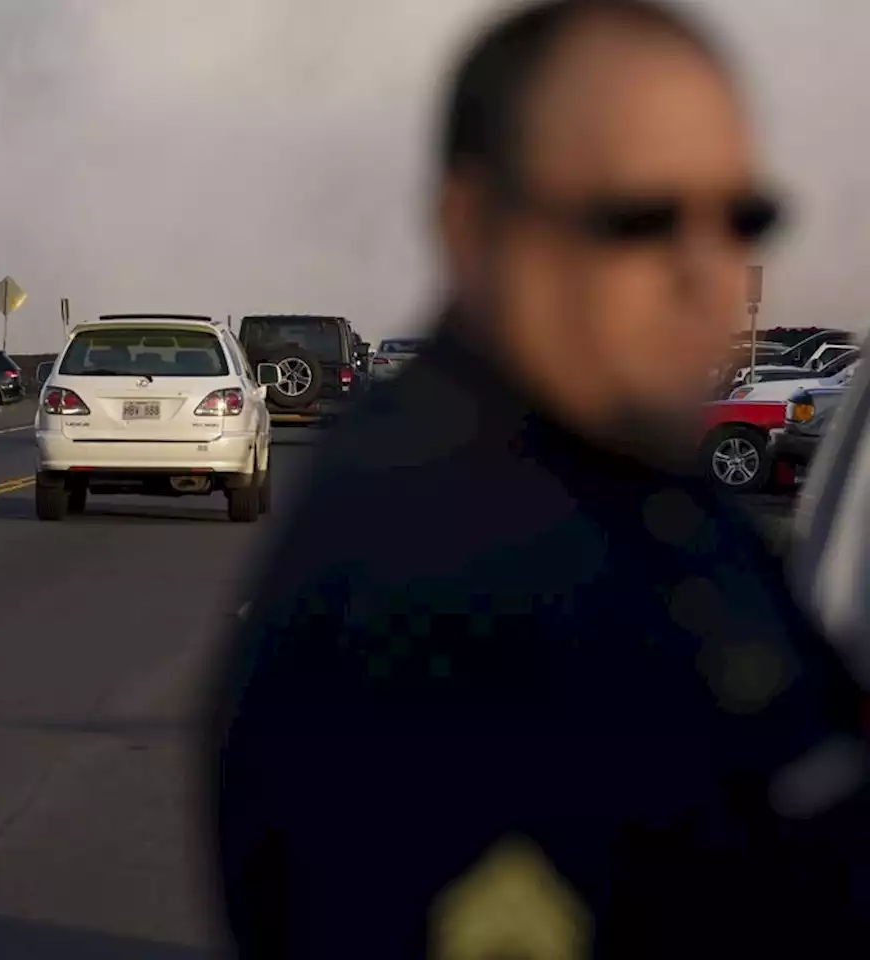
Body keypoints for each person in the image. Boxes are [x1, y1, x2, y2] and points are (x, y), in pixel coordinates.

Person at [209, 3, 870, 957]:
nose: (706, 269)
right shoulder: (444, 597)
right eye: (639, 218)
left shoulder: (617, 473)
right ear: (475, 225)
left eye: (740, 218)